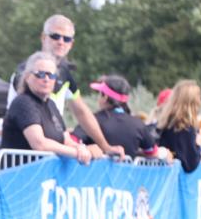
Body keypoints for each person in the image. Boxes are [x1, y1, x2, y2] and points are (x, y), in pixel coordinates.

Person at [7, 14, 124, 158]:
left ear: (71, 44)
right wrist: (78, 152)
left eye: (66, 38)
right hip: (26, 152)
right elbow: (36, 135)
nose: (61, 42)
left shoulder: (65, 74)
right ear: (44, 38)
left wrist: (104, 147)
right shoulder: (25, 71)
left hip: (52, 152)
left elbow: (82, 112)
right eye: (55, 36)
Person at [1, 51, 91, 164]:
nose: (46, 79)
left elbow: (66, 140)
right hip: (20, 176)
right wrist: (75, 153)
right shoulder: (23, 102)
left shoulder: (51, 104)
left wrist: (80, 148)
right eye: (41, 74)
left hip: (46, 176)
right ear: (28, 77)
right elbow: (39, 143)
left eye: (51, 75)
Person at [71, 75, 156, 158]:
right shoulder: (138, 124)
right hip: (126, 172)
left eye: (100, 94)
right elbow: (153, 152)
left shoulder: (90, 121)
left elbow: (71, 141)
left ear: (105, 97)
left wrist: (87, 149)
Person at [156, 80, 201, 173]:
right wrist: (198, 145)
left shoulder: (166, 123)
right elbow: (189, 164)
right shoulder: (184, 128)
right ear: (193, 102)